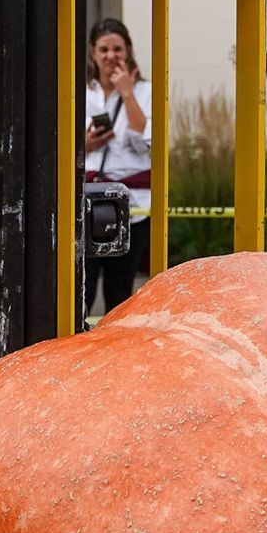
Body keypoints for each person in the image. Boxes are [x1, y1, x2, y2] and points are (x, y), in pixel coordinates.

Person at [85, 18, 152, 313]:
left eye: (117, 48)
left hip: (132, 203)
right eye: (104, 49)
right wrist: (86, 144)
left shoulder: (146, 91)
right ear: (92, 53)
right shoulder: (82, 91)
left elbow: (145, 141)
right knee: (82, 284)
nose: (111, 55)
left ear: (128, 51)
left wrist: (127, 93)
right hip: (87, 199)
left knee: (119, 288)